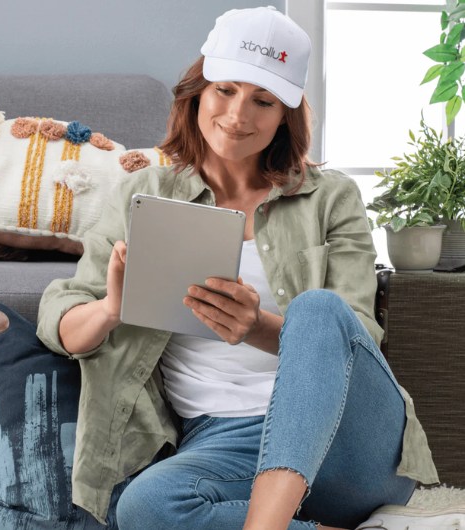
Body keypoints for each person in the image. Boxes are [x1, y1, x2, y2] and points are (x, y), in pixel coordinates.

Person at [37, 6, 440, 530]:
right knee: (145, 506)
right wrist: (114, 307)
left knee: (319, 310)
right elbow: (63, 320)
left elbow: (353, 335)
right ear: (197, 92)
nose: (238, 115)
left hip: (347, 440)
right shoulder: (143, 195)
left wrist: (258, 329)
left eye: (263, 101)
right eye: (224, 90)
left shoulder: (331, 197)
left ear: (284, 116)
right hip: (224, 443)